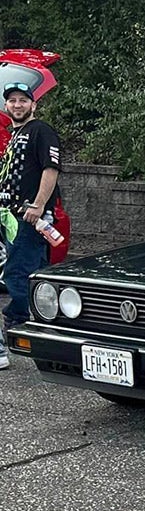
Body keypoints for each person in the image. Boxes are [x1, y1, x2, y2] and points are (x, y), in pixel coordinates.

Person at [0, 81, 62, 371]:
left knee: (16, 273)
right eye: (12, 101)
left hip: (29, 216)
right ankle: (48, 327)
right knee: (38, 274)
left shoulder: (41, 131)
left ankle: (17, 326)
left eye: (22, 100)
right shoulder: (15, 135)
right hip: (12, 216)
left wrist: (38, 206)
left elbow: (51, 169)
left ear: (33, 104)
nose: (17, 105)